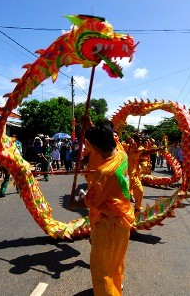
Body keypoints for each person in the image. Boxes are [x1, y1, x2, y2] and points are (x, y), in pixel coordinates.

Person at [82, 122, 134, 295]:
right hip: (124, 221)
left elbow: (92, 201)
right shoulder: (122, 154)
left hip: (108, 225)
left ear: (96, 146)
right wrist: (90, 125)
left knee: (100, 270)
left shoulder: (102, 173)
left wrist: (79, 198)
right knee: (115, 264)